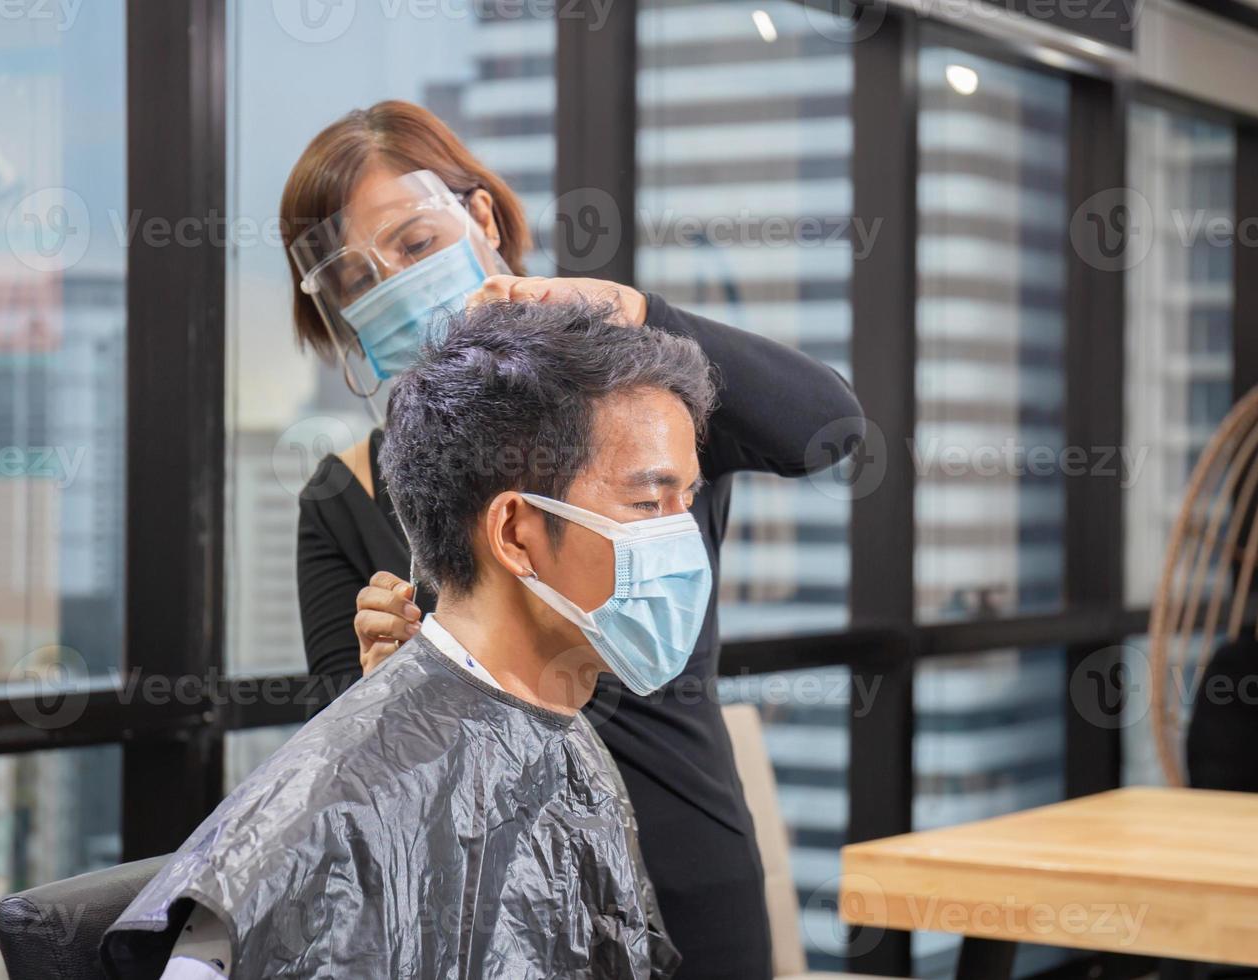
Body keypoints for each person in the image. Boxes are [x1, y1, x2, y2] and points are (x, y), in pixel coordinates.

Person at [288, 101, 865, 980]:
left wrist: (633, 310)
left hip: (687, 886)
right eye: (359, 281)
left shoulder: (644, 413)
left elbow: (826, 427)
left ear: (479, 218)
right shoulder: (345, 496)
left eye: (413, 245)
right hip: (486, 917)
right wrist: (389, 691)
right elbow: (345, 787)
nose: (395, 285)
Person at [103, 301, 710, 979]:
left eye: (688, 499)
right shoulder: (321, 815)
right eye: (650, 504)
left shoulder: (565, 737)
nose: (682, 540)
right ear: (515, 533)